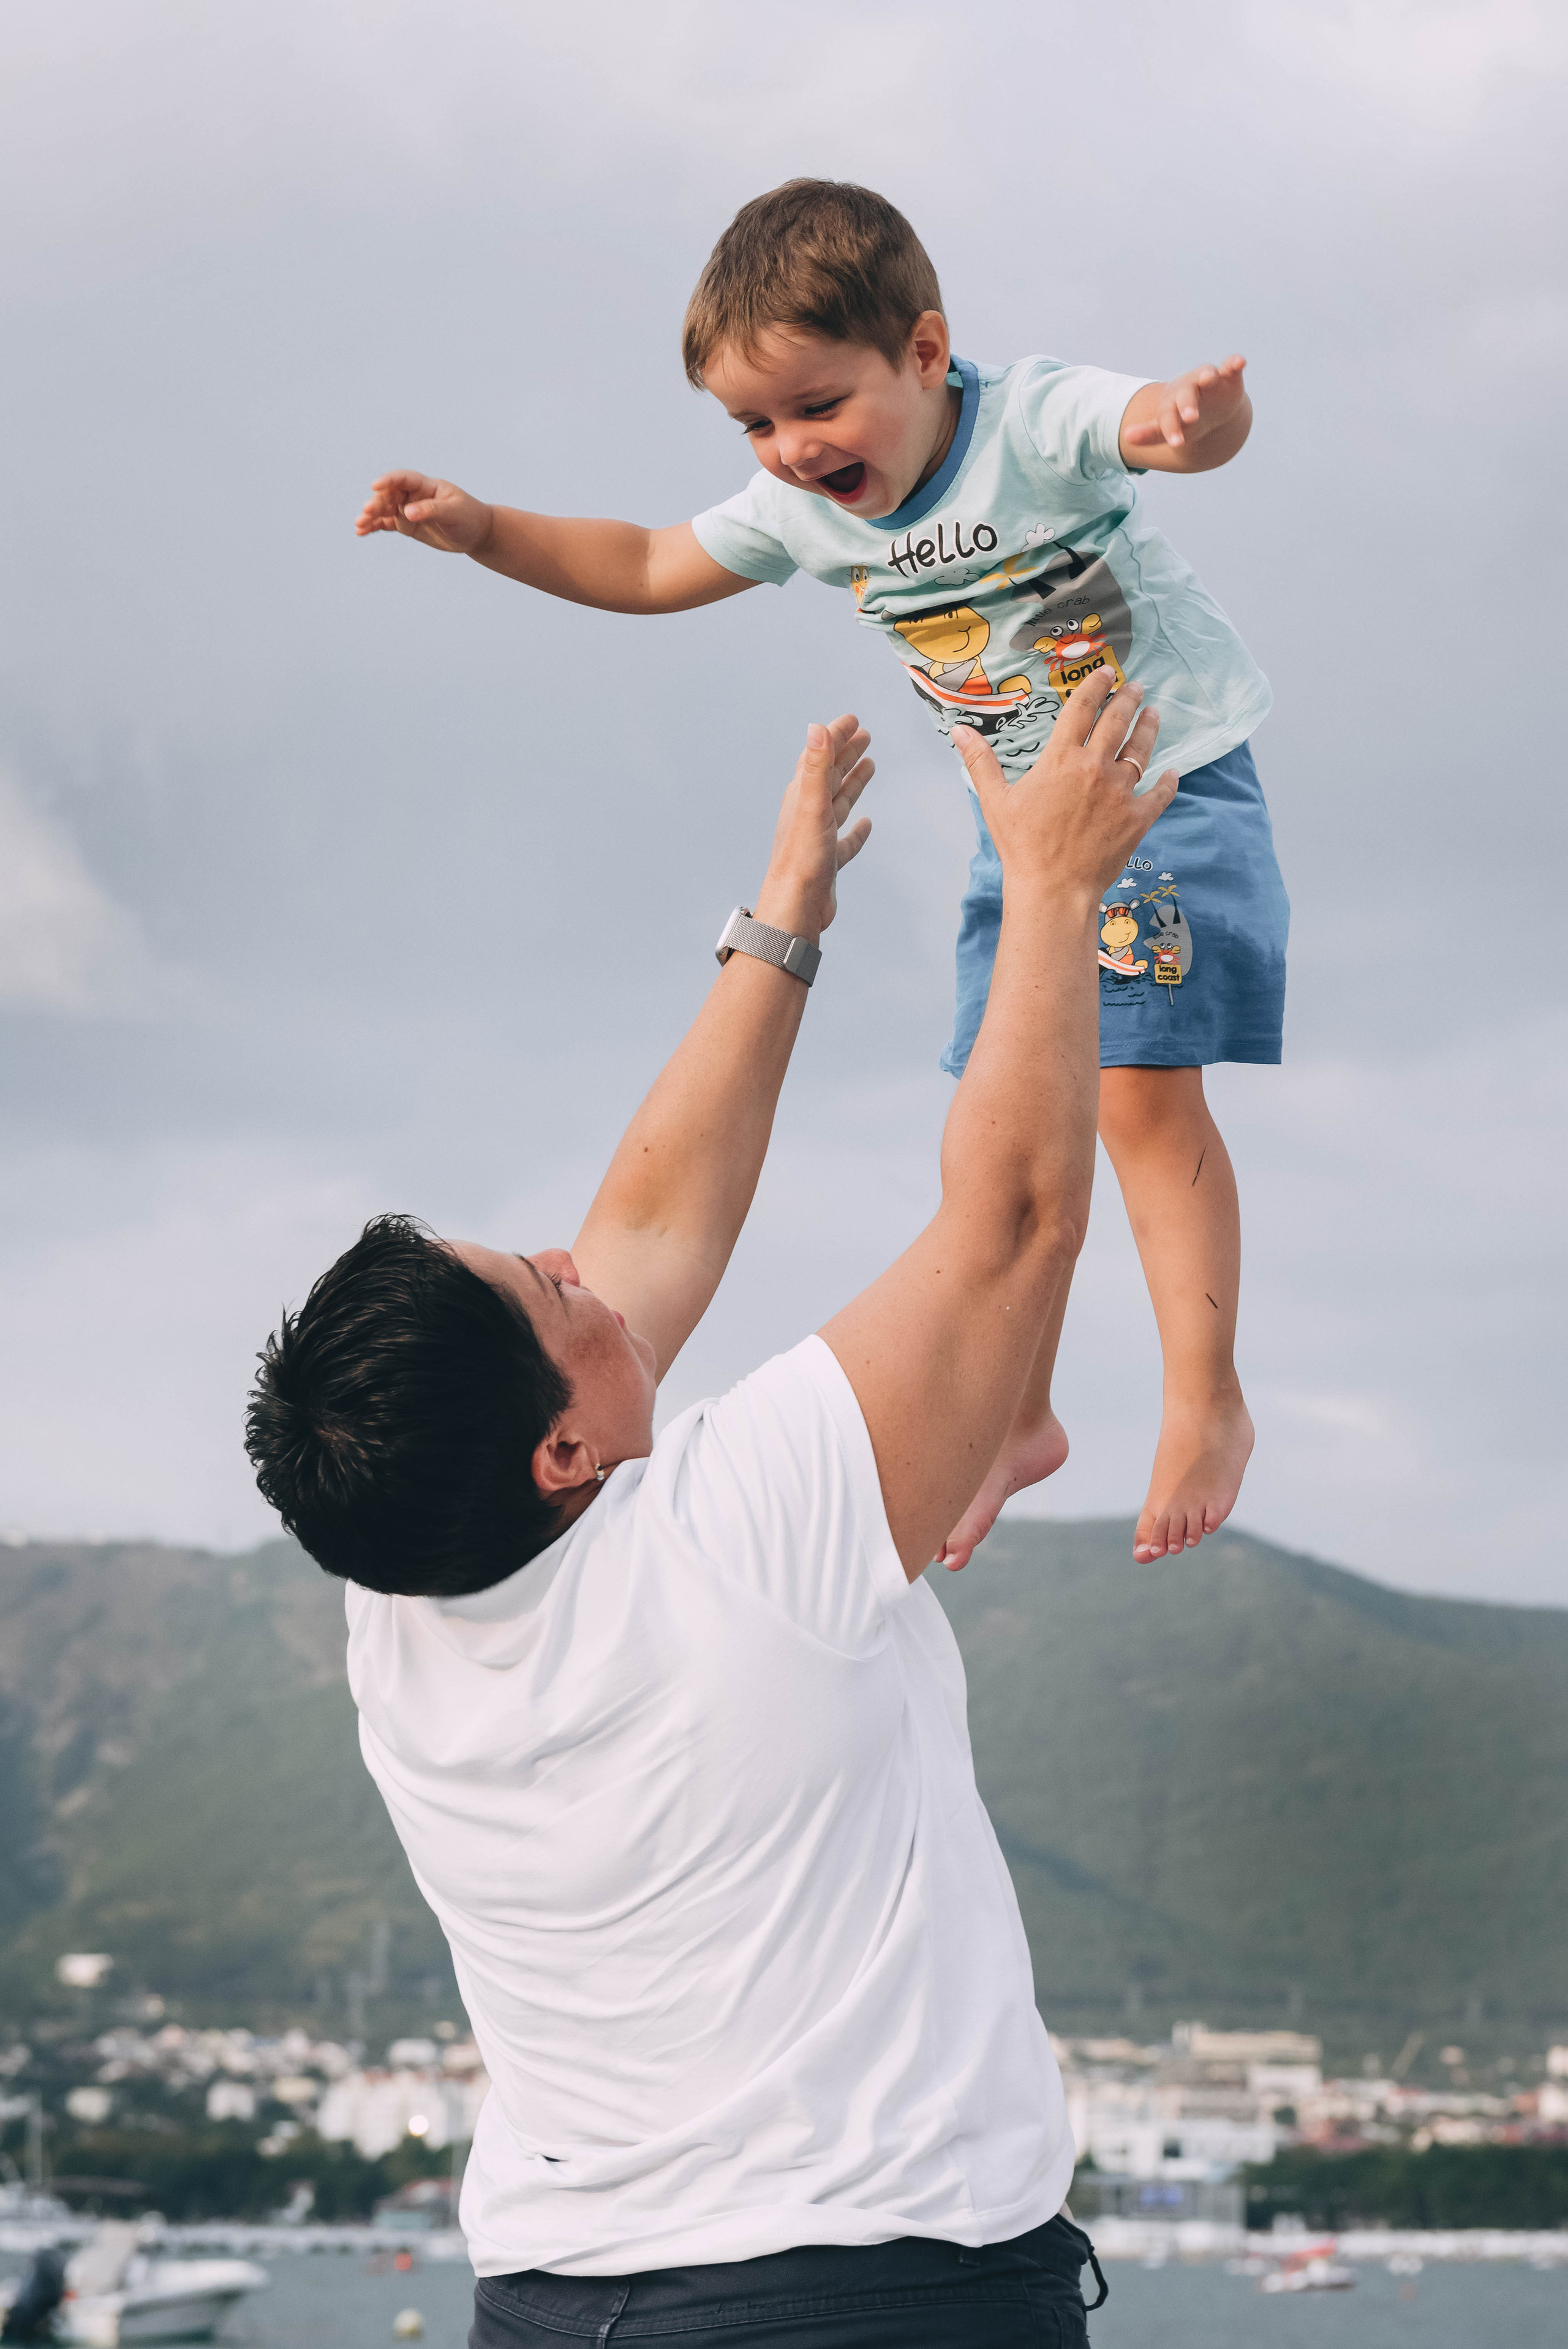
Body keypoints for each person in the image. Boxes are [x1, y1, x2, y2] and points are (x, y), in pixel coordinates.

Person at [245, 671, 1177, 2345]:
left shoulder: (401, 1592)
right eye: (545, 1286)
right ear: (558, 1452)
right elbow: (1014, 1222)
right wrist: (1052, 885)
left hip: (553, 2300)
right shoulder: (739, 1531)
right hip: (864, 2296)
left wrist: (783, 920)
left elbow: (651, 1222)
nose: (573, 1258)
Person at [353, 177, 1289, 1574]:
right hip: (1020, 832)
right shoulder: (806, 515)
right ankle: (1018, 1413)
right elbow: (649, 563)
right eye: (754, 424)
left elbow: (1151, 425)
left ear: (924, 351)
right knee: (1003, 1116)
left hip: (1156, 791)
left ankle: (1204, 1397)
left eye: (817, 406)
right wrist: (487, 531)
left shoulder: (1027, 423)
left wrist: (1198, 423)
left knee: (1141, 1099)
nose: (790, 450)